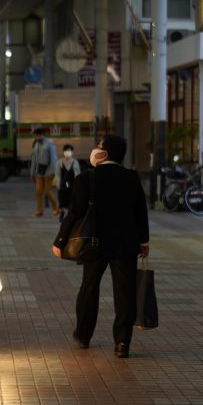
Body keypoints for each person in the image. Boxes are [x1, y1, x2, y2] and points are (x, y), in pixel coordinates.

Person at [52, 135, 150, 357]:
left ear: (104, 153)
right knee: (125, 292)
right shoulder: (131, 177)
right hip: (126, 244)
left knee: (89, 288)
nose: (95, 149)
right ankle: (122, 343)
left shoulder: (87, 178)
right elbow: (140, 212)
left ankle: (84, 335)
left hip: (94, 243)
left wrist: (60, 240)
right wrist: (143, 242)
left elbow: (74, 213)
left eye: (98, 146)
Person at [30, 127, 59, 217]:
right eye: (36, 135)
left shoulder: (50, 143)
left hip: (48, 171)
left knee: (47, 191)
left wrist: (52, 171)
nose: (37, 137)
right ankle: (39, 211)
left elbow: (54, 158)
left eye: (38, 135)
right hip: (39, 171)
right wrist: (32, 172)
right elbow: (34, 159)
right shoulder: (36, 144)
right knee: (38, 192)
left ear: (43, 134)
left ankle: (56, 209)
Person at [56, 144, 80, 221]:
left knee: (71, 200)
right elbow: (57, 174)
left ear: (72, 152)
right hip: (63, 185)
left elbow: (77, 174)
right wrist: (58, 184)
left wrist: (77, 185)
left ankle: (70, 215)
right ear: (63, 152)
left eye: (69, 151)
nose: (68, 152)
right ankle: (62, 213)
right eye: (66, 150)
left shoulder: (75, 162)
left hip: (72, 185)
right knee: (62, 200)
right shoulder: (60, 162)